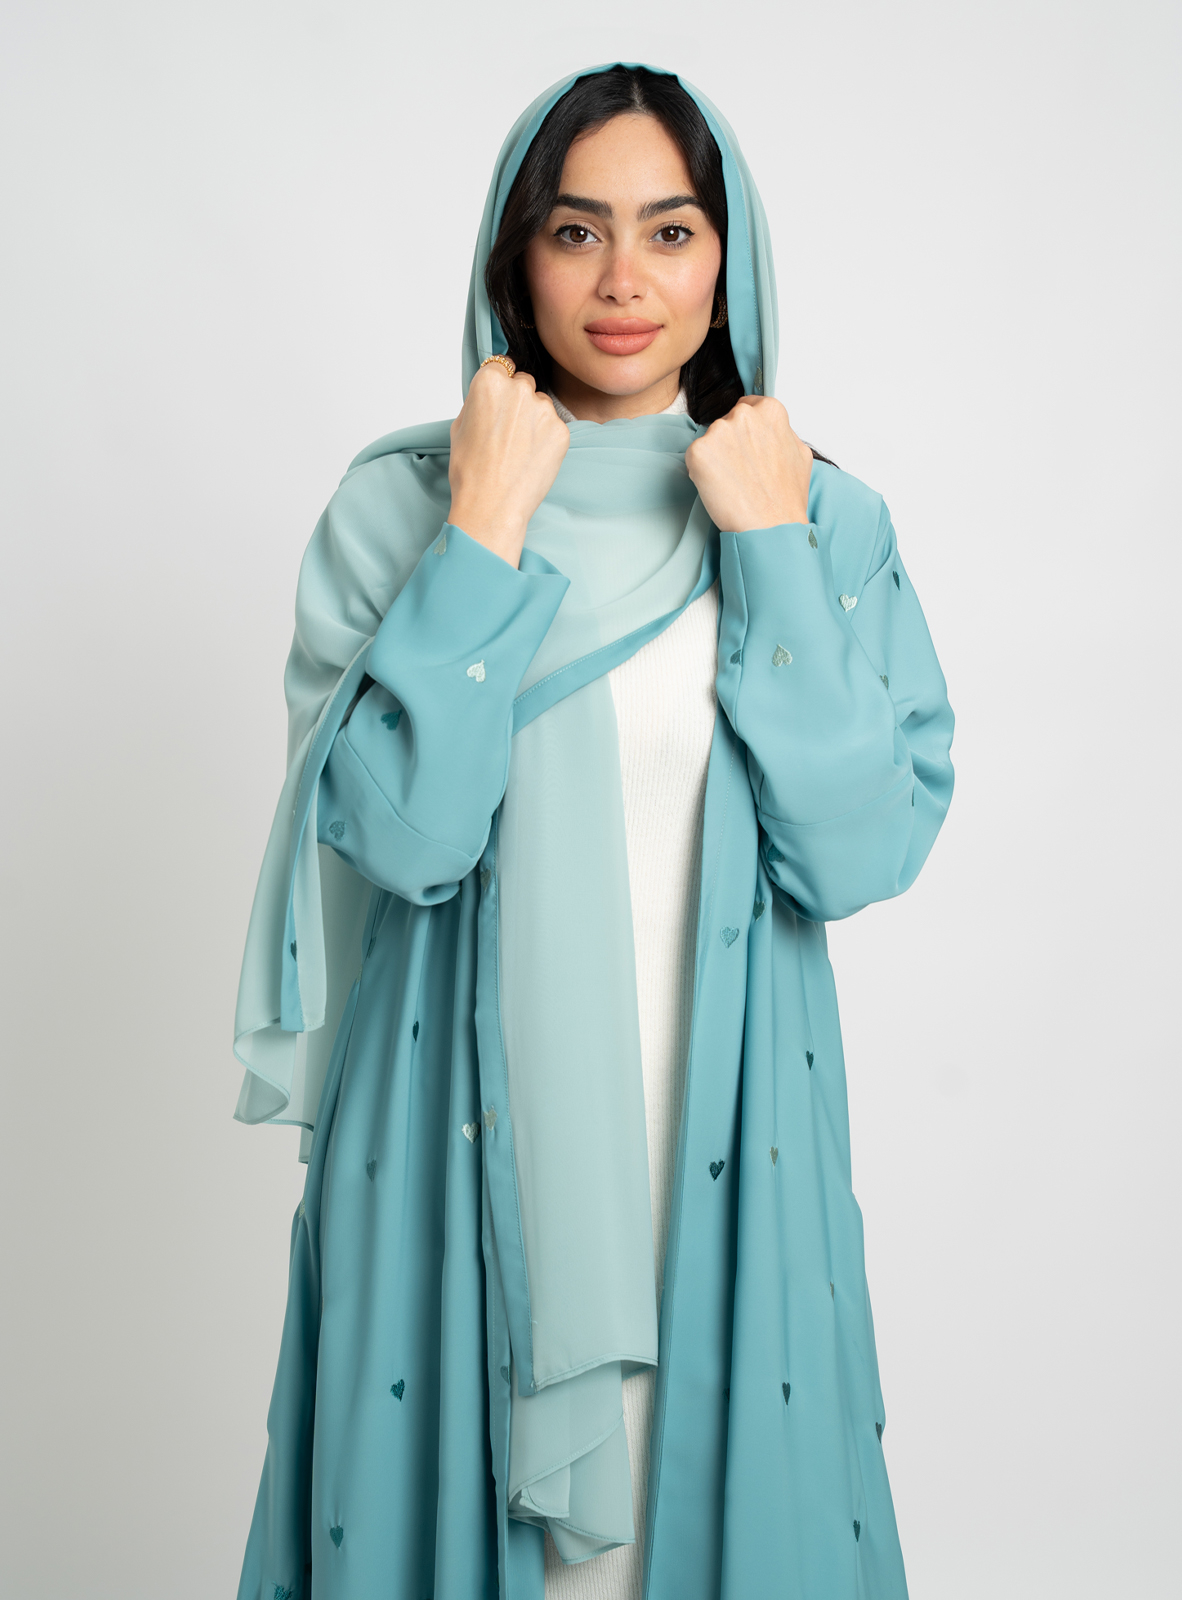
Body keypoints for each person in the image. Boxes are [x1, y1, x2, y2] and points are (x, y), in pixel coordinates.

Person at [232, 62, 954, 1600]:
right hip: (457, 1151)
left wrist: (765, 539)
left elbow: (856, 851)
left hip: (732, 1151)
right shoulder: (403, 513)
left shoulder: (824, 523)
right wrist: (485, 531)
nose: (625, 280)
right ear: (517, 258)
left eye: (670, 231)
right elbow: (404, 839)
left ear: (728, 259)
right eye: (577, 231)